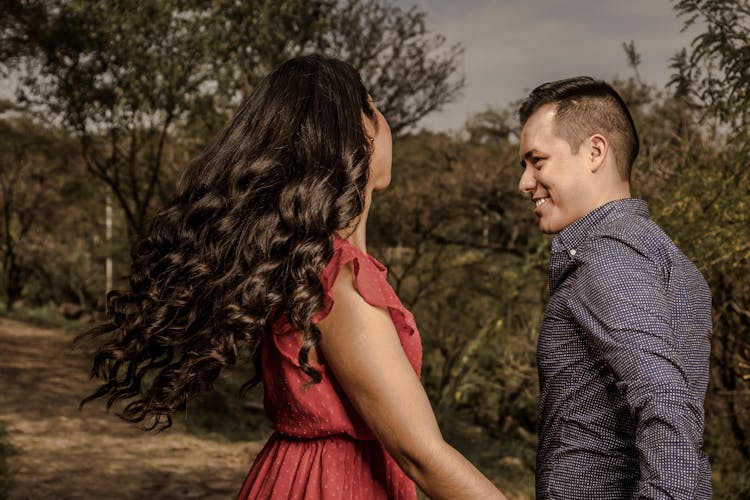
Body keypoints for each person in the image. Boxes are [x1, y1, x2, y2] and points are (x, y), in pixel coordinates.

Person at [80, 54, 506, 500]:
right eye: (375, 106)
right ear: (358, 131)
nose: (386, 123)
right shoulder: (339, 280)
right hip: (334, 487)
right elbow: (421, 454)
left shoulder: (305, 264)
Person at [517, 76, 712, 499]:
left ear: (595, 151)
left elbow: (666, 400)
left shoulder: (609, 254)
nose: (525, 182)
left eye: (538, 161)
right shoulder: (668, 257)